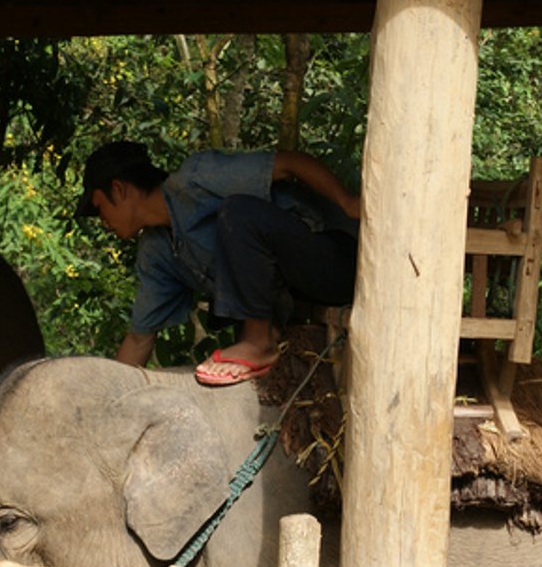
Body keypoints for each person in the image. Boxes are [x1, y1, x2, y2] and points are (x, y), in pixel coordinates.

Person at [76, 140, 362, 385]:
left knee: (237, 214)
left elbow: (291, 163)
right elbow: (140, 339)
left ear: (119, 189)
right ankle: (264, 335)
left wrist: (347, 202)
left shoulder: (195, 179)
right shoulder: (156, 251)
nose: (103, 222)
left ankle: (257, 343)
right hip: (296, 302)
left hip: (333, 261)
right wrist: (107, 397)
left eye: (100, 208)